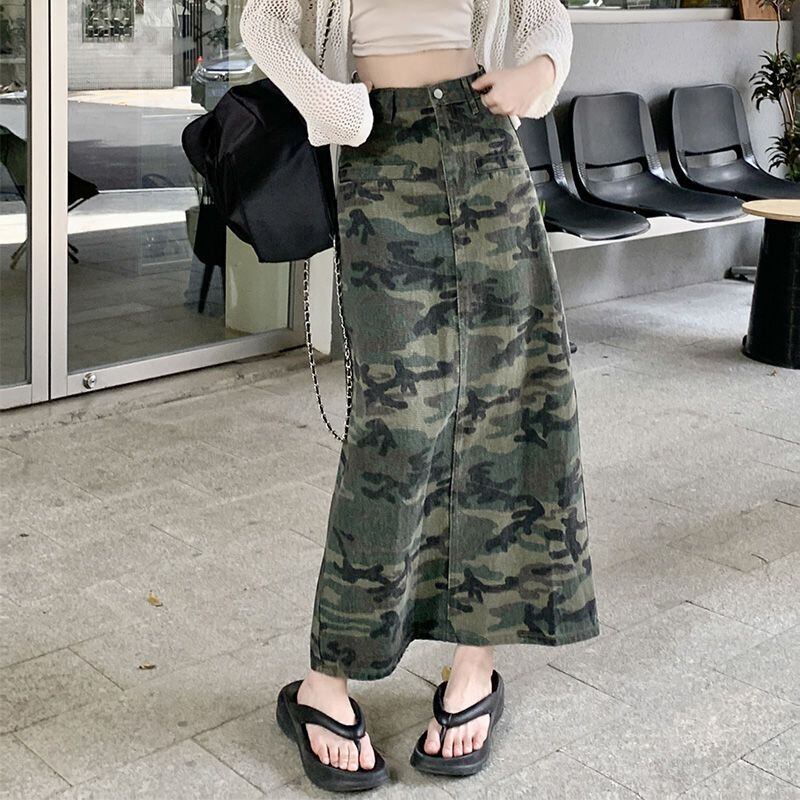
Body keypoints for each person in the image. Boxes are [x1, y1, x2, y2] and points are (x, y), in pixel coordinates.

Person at [240, 0, 600, 790]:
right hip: (381, 151)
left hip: (485, 145)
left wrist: (539, 73)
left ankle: (474, 669)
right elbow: (262, 21)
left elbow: (544, 15)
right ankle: (325, 681)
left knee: (510, 408)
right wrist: (330, 103)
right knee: (396, 428)